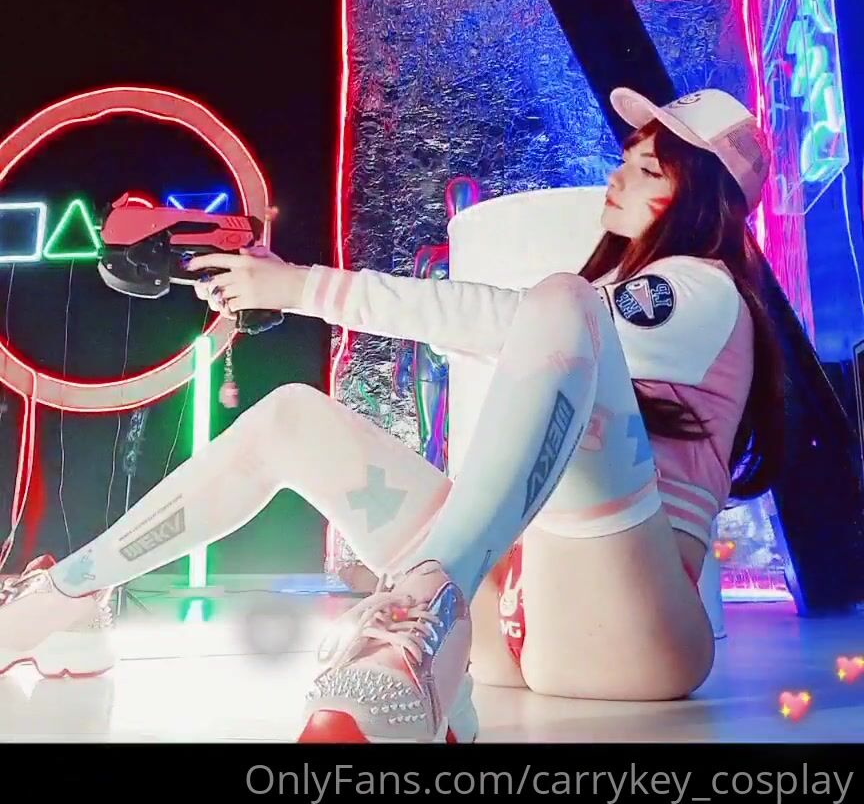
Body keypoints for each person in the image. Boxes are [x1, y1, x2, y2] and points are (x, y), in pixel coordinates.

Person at [0, 87, 783, 744]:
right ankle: (66, 597)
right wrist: (284, 282)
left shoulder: (702, 288)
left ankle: (416, 610)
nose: (619, 175)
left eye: (647, 169)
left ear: (701, 199)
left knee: (558, 301)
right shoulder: (622, 300)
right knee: (293, 418)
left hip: (630, 635)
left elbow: (511, 319)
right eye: (626, 157)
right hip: (513, 608)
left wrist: (302, 287)